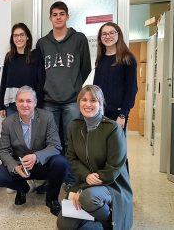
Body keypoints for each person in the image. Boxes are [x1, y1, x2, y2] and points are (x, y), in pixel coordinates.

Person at [57, 85, 133, 230]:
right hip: (85, 181)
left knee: (88, 198)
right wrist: (86, 177)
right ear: (79, 102)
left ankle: (109, 221)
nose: (88, 104)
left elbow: (114, 167)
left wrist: (83, 189)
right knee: (63, 224)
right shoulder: (74, 126)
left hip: (111, 184)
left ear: (100, 103)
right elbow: (71, 158)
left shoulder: (112, 128)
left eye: (93, 100)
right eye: (84, 100)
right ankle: (94, 217)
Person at [0, 86, 69, 216]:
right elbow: (3, 151)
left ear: (35, 103)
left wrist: (36, 156)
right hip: (20, 167)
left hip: (42, 164)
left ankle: (52, 199)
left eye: (28, 101)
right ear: (16, 103)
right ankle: (23, 188)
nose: (25, 104)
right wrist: (15, 167)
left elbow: (56, 145)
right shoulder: (8, 123)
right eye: (21, 101)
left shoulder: (47, 117)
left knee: (61, 162)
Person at [36, 1, 91, 153]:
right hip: (49, 101)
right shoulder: (42, 43)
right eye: (55, 15)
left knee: (72, 141)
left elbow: (86, 67)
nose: (58, 17)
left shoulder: (79, 39)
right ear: (50, 18)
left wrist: (74, 84)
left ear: (67, 16)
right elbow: (39, 72)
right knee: (50, 141)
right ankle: (54, 176)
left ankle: (71, 177)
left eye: (61, 14)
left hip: (72, 101)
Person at [93, 22, 138, 131]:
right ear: (100, 38)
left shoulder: (127, 58)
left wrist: (123, 114)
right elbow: (96, 87)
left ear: (118, 34)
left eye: (111, 33)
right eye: (104, 34)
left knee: (116, 146)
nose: (108, 36)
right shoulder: (101, 59)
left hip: (117, 113)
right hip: (99, 112)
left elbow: (131, 89)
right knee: (100, 146)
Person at [0, 23, 44, 118]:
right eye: (15, 35)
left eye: (22, 35)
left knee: (31, 133)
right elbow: (4, 82)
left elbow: (40, 82)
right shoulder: (9, 57)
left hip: (30, 105)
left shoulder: (35, 55)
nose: (18, 38)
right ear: (12, 38)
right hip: (12, 105)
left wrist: (39, 105)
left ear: (27, 37)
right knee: (14, 132)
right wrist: (1, 105)